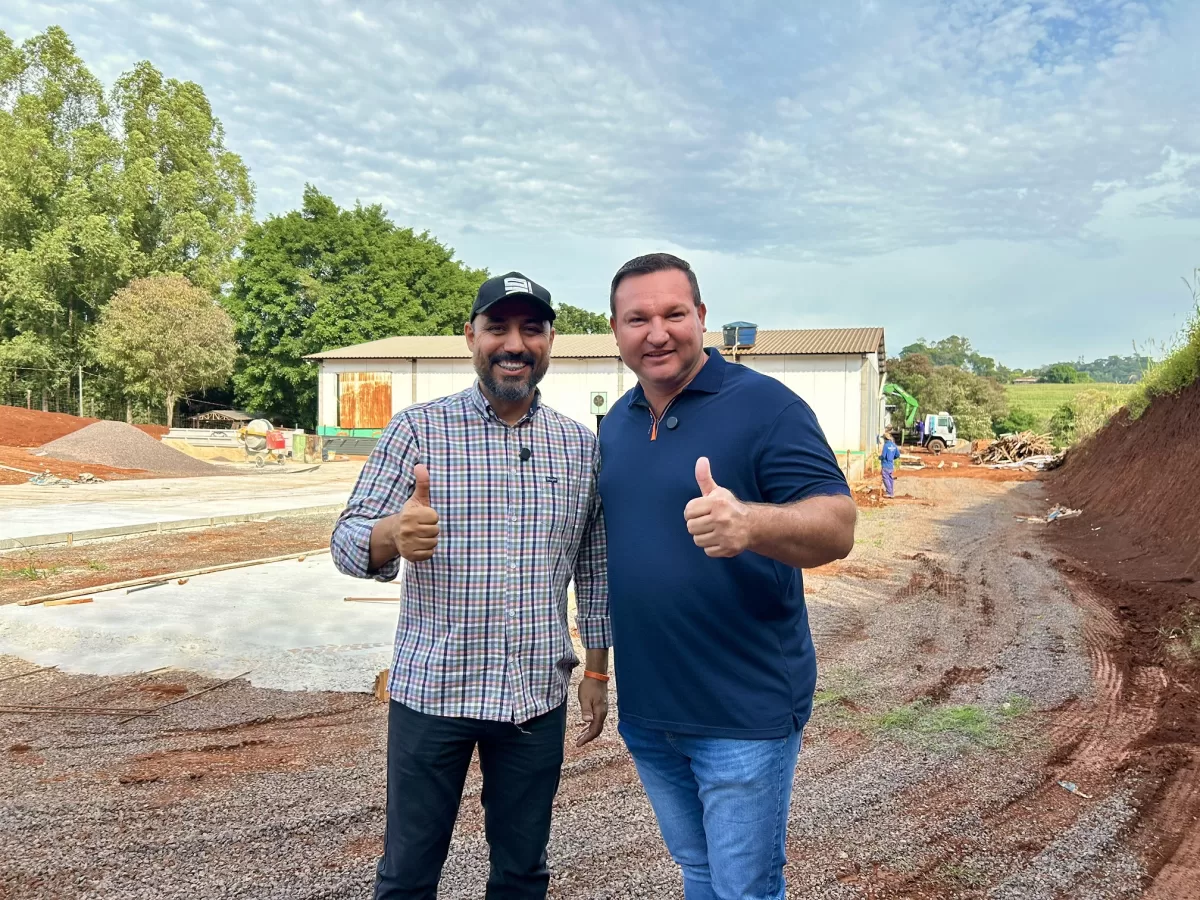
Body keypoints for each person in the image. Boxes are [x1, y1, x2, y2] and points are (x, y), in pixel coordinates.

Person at [331, 271, 611, 900]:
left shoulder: (578, 447)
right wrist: (391, 534)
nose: (514, 344)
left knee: (522, 872)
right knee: (407, 874)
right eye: (497, 328)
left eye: (531, 329)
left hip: (534, 697)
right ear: (470, 337)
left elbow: (595, 570)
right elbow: (345, 541)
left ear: (549, 342)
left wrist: (596, 671)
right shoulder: (417, 430)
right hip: (434, 693)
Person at [597, 253, 857, 900]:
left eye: (673, 314)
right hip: (650, 711)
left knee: (745, 888)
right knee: (700, 872)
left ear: (702, 316)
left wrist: (751, 524)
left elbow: (838, 525)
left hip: (742, 709)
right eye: (638, 319)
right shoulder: (618, 425)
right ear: (615, 330)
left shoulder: (766, 406)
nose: (657, 333)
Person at [880, 431, 901, 498]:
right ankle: (891, 492)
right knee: (890, 479)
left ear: (885, 439)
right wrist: (892, 458)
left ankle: (889, 493)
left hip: (885, 465)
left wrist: (879, 458)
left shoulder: (886, 445)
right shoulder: (894, 445)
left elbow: (883, 456)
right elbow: (898, 455)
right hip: (891, 465)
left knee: (885, 478)